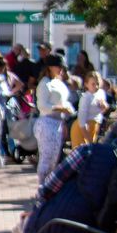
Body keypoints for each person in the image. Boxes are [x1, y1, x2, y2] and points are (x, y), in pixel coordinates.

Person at [34, 53, 75, 182]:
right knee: (46, 157)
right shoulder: (45, 83)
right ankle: (42, 186)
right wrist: (59, 108)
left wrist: (68, 109)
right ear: (50, 67)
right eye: (58, 66)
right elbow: (42, 105)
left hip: (58, 122)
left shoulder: (59, 82)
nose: (61, 69)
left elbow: (66, 100)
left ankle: (48, 186)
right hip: (47, 122)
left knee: (54, 159)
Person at [71, 71, 108, 148]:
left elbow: (99, 113)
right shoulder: (85, 98)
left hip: (94, 126)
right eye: (93, 84)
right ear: (86, 84)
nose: (96, 86)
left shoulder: (101, 93)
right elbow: (81, 119)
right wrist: (88, 139)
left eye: (98, 83)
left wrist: (104, 108)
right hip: (82, 129)